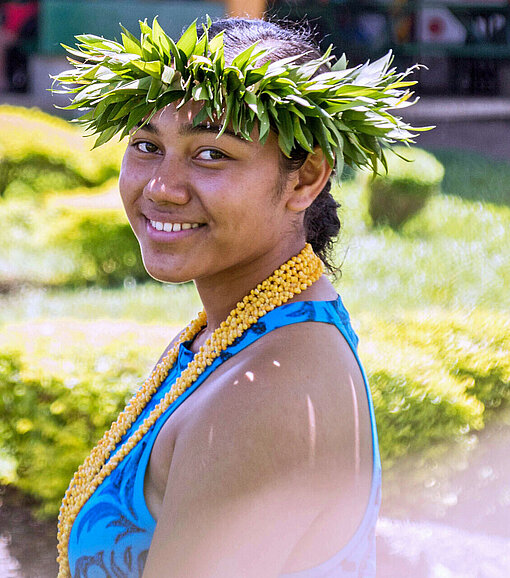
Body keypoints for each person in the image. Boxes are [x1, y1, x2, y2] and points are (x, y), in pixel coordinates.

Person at [53, 15, 421, 578]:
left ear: (303, 180)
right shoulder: (245, 332)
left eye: (211, 154)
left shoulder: (266, 392)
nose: (161, 188)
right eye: (148, 145)